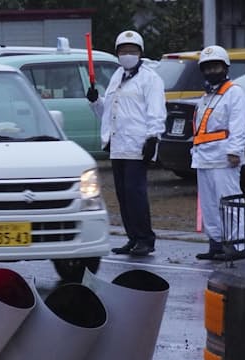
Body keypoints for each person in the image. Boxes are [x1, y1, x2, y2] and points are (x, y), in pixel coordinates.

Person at [86, 30, 166, 257]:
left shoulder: (150, 79)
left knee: (135, 193)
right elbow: (108, 113)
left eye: (132, 51)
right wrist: (95, 102)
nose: (127, 54)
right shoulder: (116, 76)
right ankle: (133, 237)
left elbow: (156, 111)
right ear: (117, 53)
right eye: (123, 51)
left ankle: (145, 238)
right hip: (117, 145)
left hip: (137, 145)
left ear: (140, 53)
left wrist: (153, 136)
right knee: (123, 195)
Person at [190, 45, 245, 261]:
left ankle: (238, 245)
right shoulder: (206, 97)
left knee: (231, 203)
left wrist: (235, 151)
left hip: (225, 159)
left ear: (225, 67)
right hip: (203, 158)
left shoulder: (234, 93)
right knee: (209, 206)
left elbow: (238, 125)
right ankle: (216, 242)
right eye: (207, 68)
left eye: (215, 67)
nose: (211, 71)